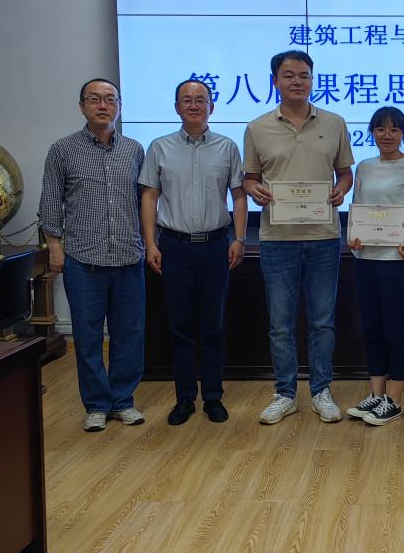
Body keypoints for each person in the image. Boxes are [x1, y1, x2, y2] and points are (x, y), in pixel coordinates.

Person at [242, 51, 354, 424]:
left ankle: (321, 391)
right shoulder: (257, 127)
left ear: (312, 80)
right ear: (275, 80)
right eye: (288, 75)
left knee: (322, 321)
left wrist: (341, 190)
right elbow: (249, 179)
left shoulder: (334, 123)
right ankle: (285, 393)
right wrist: (255, 190)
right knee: (281, 324)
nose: (297, 81)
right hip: (277, 239)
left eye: (304, 75)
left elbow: (345, 173)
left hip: (324, 236)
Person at [39, 78, 146, 432]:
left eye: (110, 99)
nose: (103, 105)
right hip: (83, 260)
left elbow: (145, 203)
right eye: (95, 99)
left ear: (119, 106)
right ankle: (97, 404)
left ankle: (123, 400)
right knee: (87, 338)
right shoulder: (63, 150)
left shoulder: (134, 150)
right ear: (82, 106)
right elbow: (51, 201)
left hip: (128, 258)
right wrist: (55, 247)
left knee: (129, 335)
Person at [139, 79, 248, 426]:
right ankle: (185, 397)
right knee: (180, 326)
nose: (194, 105)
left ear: (211, 107)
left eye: (201, 99)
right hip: (175, 246)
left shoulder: (227, 147)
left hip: (216, 245)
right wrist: (151, 243)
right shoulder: (160, 147)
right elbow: (149, 197)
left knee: (213, 326)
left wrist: (239, 238)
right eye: (186, 100)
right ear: (176, 107)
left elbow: (239, 196)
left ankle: (213, 396)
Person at [345, 107, 404, 426]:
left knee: (395, 330)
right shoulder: (365, 167)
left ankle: (394, 399)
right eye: (380, 129)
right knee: (371, 329)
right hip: (365, 260)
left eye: (394, 129)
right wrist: (353, 238)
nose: (387, 135)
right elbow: (358, 209)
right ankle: (376, 394)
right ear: (372, 132)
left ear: (403, 133)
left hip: (397, 261)